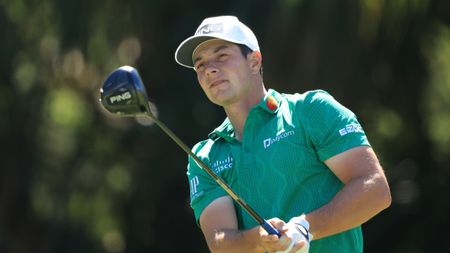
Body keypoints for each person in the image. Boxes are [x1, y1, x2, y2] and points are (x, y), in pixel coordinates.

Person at [174, 15, 391, 253]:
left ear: (254, 61)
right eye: (200, 64)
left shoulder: (311, 111)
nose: (210, 69)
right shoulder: (205, 156)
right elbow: (220, 242)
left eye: (222, 56)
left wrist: (305, 227)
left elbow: (375, 189)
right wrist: (259, 238)